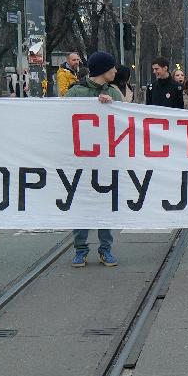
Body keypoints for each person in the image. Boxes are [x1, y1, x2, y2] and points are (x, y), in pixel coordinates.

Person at [64, 51, 122, 266]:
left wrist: (112, 106)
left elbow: (124, 121)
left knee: (105, 205)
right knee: (81, 206)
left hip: (106, 160)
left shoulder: (114, 93)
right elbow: (61, 118)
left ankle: (105, 249)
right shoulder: (75, 92)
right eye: (112, 67)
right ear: (104, 70)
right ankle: (80, 249)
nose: (115, 71)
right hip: (81, 160)